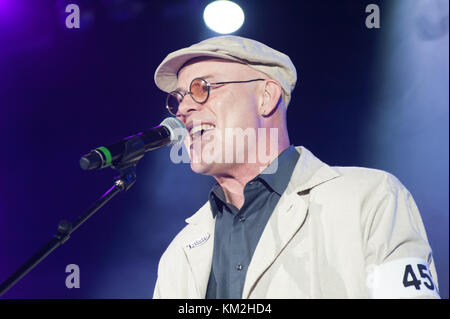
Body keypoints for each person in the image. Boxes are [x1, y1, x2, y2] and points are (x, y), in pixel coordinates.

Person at [152, 35, 440, 299]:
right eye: (177, 99)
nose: (184, 109)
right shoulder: (179, 252)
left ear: (266, 97)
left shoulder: (370, 198)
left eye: (201, 88)